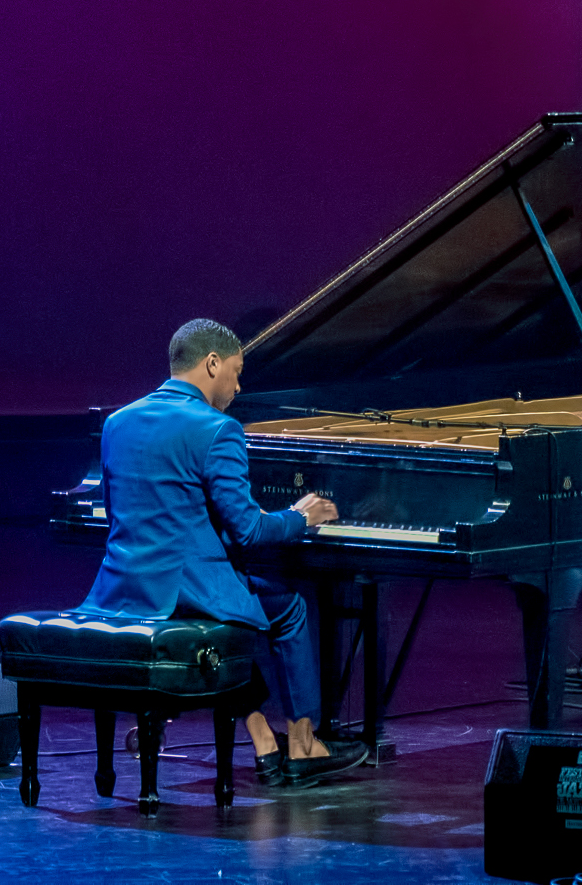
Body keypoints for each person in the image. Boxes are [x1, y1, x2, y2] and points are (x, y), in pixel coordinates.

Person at [78, 319, 367, 787]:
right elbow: (250, 531)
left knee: (237, 613)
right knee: (286, 607)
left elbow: (119, 514)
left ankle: (262, 739)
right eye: (236, 370)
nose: (238, 384)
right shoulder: (219, 429)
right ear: (212, 363)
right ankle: (304, 741)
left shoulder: (118, 422)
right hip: (185, 594)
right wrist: (301, 516)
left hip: (125, 590)